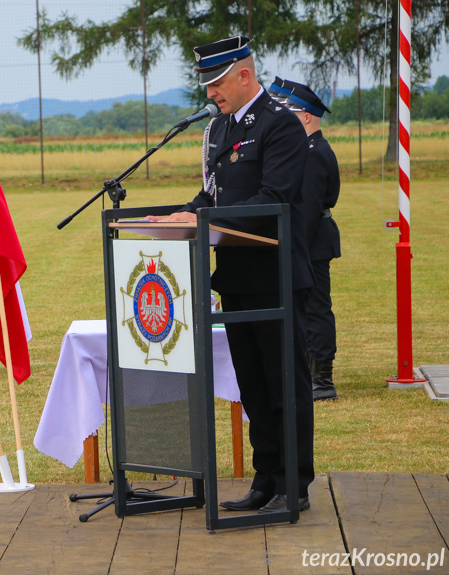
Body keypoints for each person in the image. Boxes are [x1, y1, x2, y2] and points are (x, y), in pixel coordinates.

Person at [148, 36, 314, 513]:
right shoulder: (218, 130)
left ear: (245, 75)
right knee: (254, 386)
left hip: (277, 277)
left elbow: (272, 199)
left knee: (285, 383)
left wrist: (202, 221)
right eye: (207, 84)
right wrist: (182, 215)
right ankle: (266, 478)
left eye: (217, 82)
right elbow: (213, 195)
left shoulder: (281, 126)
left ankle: (294, 485)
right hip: (237, 279)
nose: (210, 93)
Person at [285, 84, 341, 401]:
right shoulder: (308, 150)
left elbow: (307, 209)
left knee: (317, 309)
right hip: (312, 239)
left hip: (313, 241)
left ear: (306, 118)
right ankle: (309, 372)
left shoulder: (314, 153)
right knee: (307, 308)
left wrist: (296, 247)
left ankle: (323, 379)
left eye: (292, 114)